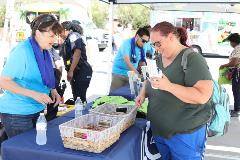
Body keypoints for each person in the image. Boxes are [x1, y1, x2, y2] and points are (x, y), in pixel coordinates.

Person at [135, 21, 213, 160]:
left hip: (185, 134)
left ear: (171, 36)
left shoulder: (193, 59)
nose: (156, 48)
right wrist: (143, 92)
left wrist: (169, 86)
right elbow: (150, 78)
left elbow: (202, 96)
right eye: (153, 45)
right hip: (160, 131)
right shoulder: (159, 57)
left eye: (158, 43)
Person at [0, 14, 62, 138]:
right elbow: (3, 81)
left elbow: (44, 75)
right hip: (17, 114)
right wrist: (33, 94)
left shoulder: (44, 50)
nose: (54, 39)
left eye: (56, 35)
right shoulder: (22, 51)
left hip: (36, 109)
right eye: (51, 35)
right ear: (38, 33)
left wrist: (53, 89)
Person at [60, 21, 92, 103]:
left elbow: (77, 53)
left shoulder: (73, 36)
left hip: (82, 71)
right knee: (77, 98)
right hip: (76, 72)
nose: (59, 34)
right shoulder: (68, 39)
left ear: (65, 29)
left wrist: (70, 71)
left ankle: (82, 115)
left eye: (60, 31)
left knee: (80, 98)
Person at [110, 27, 150, 92]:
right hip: (119, 73)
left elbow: (142, 61)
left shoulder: (143, 46)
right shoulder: (126, 43)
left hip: (132, 74)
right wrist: (137, 74)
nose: (144, 43)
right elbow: (127, 61)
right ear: (137, 36)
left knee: (131, 97)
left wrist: (145, 74)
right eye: (143, 41)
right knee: (113, 96)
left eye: (146, 42)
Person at [220, 33, 240, 117]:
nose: (230, 44)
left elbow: (235, 62)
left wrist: (224, 65)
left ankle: (237, 110)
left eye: (230, 42)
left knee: (236, 90)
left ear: (233, 41)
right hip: (237, 70)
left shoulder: (238, 48)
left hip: (238, 72)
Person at [45, 48, 64, 121]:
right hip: (52, 73)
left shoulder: (49, 48)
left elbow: (58, 63)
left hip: (51, 73)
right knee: (52, 103)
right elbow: (59, 64)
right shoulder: (50, 48)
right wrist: (58, 77)